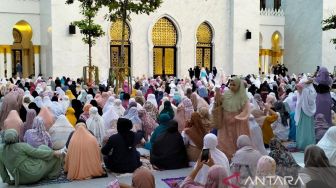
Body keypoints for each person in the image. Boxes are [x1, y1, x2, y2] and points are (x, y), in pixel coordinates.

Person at [213, 77, 250, 159]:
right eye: (231, 84)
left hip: (237, 124)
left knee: (235, 141)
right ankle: (226, 158)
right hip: (225, 124)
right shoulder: (227, 94)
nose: (232, 86)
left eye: (234, 85)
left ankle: (237, 158)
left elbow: (246, 110)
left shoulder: (243, 97)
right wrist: (217, 94)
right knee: (224, 142)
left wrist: (237, 117)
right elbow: (219, 103)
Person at [295, 80, 317, 150]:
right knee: (308, 128)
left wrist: (301, 91)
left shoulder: (305, 90)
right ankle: (309, 144)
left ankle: (302, 144)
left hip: (302, 112)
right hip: (307, 113)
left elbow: (299, 102)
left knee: (302, 128)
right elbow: (311, 102)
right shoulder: (311, 91)